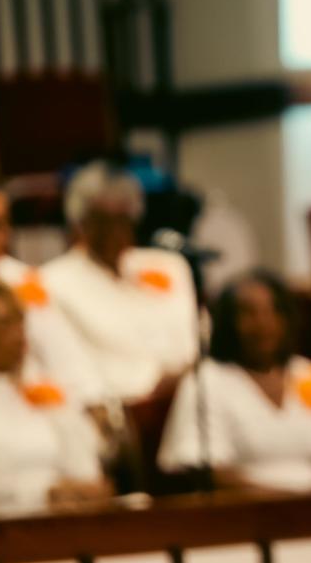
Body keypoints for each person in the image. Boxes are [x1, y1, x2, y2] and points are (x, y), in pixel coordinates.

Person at [157, 269, 311, 492]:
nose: (264, 323)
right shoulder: (206, 380)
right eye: (249, 313)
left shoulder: (309, 374)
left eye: (273, 311)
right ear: (228, 321)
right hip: (247, 512)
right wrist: (284, 504)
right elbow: (205, 470)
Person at [41, 161, 199, 403]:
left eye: (123, 219)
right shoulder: (52, 281)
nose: (114, 232)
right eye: (102, 221)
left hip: (186, 392)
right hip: (119, 404)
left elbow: (188, 344)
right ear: (80, 223)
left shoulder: (167, 266)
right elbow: (68, 367)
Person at [0, 278, 110, 518]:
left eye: (21, 320)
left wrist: (87, 488)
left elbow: (82, 462)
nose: (20, 335)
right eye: (5, 323)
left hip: (63, 525)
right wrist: (41, 494)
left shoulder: (37, 387)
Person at [0, 181, 107, 409]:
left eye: (7, 223)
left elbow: (64, 352)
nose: (4, 235)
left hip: (33, 402)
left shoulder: (24, 281)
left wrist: (94, 401)